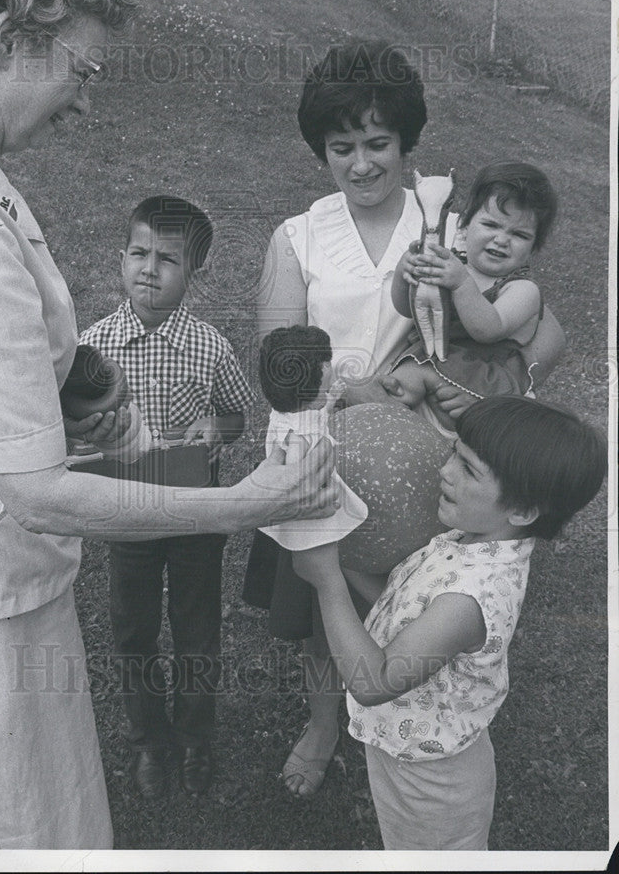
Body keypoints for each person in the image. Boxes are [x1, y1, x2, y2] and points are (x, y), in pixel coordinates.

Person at [0, 0, 337, 850]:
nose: (87, 99)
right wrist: (241, 505)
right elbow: (33, 495)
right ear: (7, 38)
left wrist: (67, 382)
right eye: (81, 70)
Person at [242, 39, 567, 799]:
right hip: (332, 450)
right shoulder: (297, 238)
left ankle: (413, 731)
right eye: (341, 146)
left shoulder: (455, 228)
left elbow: (543, 335)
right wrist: (357, 392)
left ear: (407, 141)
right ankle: (326, 725)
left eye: (378, 143)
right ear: (321, 150)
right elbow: (281, 365)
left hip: (437, 460)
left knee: (416, 605)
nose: (361, 164)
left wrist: (491, 395)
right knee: (325, 604)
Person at [291, 396, 607, 850]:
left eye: (469, 469)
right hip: (408, 745)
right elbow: (400, 602)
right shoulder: (472, 539)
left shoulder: (469, 599)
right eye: (455, 452)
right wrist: (334, 550)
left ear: (521, 511)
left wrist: (327, 584)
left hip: (432, 785)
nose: (445, 471)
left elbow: (374, 682)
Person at [77, 195, 253, 799]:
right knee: (132, 630)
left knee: (197, 627)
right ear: (121, 258)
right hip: (128, 514)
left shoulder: (210, 347)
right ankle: (150, 738)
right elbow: (75, 421)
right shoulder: (92, 347)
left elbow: (235, 413)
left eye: (168, 259)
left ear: (192, 274)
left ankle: (195, 735)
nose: (149, 268)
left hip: (196, 510)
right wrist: (88, 430)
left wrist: (217, 430)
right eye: (138, 253)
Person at [388, 162, 558, 429]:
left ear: (533, 249)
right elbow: (406, 309)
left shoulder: (523, 290)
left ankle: (381, 407)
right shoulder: (453, 265)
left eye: (519, 234)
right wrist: (404, 272)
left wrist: (460, 283)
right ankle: (383, 419)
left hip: (484, 384)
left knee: (410, 375)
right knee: (406, 380)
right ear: (464, 225)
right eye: (491, 224)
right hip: (441, 367)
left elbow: (488, 329)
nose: (502, 239)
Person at [257, 325, 367, 550]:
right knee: (321, 569)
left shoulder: (290, 417)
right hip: (309, 513)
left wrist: (330, 401)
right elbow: (295, 469)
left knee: (318, 568)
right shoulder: (297, 434)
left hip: (312, 513)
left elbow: (317, 419)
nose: (330, 367)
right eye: (325, 365)